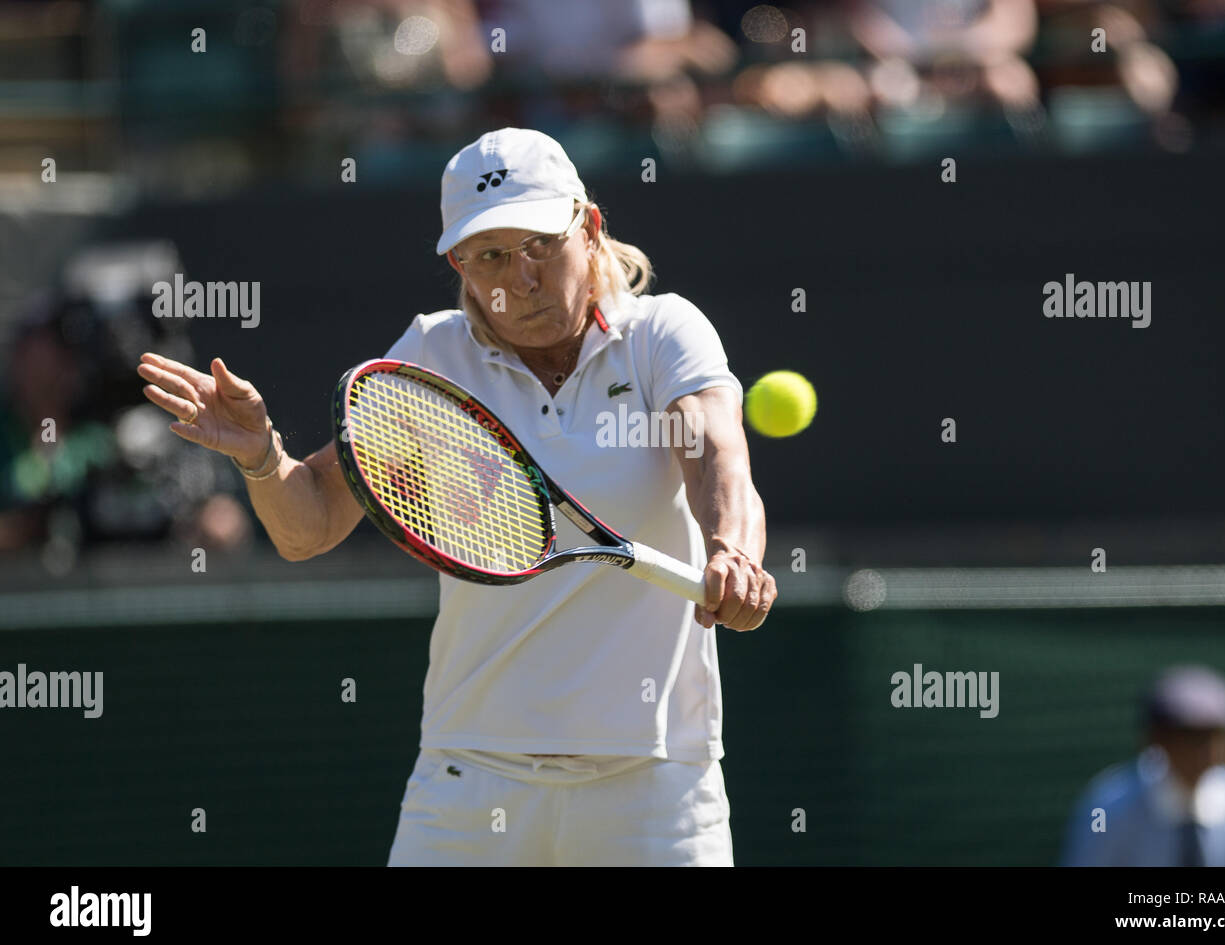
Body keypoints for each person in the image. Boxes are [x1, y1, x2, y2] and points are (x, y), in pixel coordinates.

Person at [135, 127, 776, 866]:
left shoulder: (663, 333)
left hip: (657, 788)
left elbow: (717, 455)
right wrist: (260, 456)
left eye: (540, 245)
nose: (522, 279)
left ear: (590, 228)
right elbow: (306, 526)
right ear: (459, 267)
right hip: (469, 785)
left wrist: (732, 550)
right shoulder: (428, 357)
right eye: (492, 257)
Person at [1061, 664, 1225, 866]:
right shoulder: (1110, 807)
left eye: (1219, 735)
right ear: (1157, 738)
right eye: (1193, 737)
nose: (1210, 750)